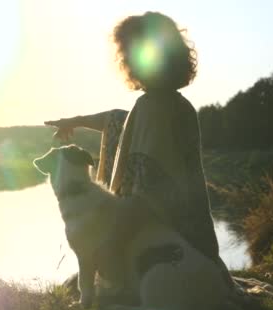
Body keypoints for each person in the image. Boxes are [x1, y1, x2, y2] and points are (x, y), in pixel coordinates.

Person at [46, 12, 234, 292]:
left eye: (130, 53)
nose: (126, 61)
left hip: (167, 233)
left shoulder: (158, 109)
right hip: (183, 229)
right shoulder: (159, 103)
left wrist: (111, 236)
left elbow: (152, 191)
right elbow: (119, 121)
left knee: (104, 280)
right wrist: (78, 121)